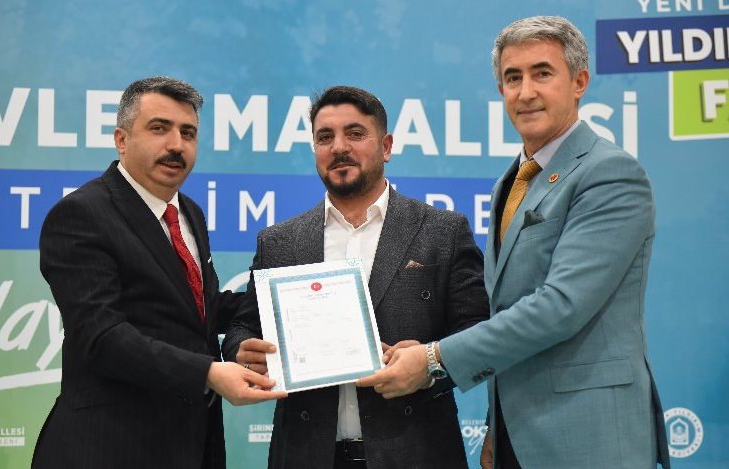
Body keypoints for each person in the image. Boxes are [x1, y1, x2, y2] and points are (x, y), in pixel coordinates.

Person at [358, 16, 671, 469]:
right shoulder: (512, 181)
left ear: (579, 82)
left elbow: (560, 306)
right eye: (512, 77)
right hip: (519, 435)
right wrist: (497, 424)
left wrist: (432, 358)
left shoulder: (610, 173)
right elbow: (506, 309)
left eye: (542, 73)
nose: (525, 92)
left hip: (591, 436)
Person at [222, 85, 489, 469]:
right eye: (324, 137)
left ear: (386, 146)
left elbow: (478, 332)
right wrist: (242, 350)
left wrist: (429, 364)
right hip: (304, 455)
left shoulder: (442, 232)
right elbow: (244, 326)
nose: (338, 147)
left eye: (355, 133)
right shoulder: (278, 242)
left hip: (416, 453)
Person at [31, 76, 286, 469]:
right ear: (121, 139)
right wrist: (208, 372)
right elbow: (102, 337)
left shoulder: (189, 213)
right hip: (108, 447)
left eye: (188, 133)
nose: (176, 145)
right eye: (159, 128)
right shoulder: (81, 214)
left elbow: (196, 309)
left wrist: (287, 305)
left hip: (190, 445)